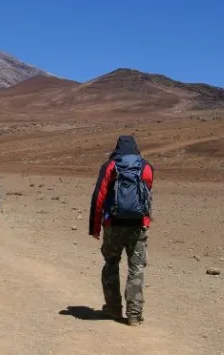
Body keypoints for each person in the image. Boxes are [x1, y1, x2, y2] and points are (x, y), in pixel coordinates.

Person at [89, 135, 154, 326]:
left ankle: (114, 309)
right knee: (136, 267)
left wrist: (95, 227)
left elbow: (99, 196)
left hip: (113, 224)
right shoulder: (145, 166)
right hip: (138, 225)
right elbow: (147, 194)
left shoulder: (110, 166)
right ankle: (134, 314)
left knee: (111, 264)